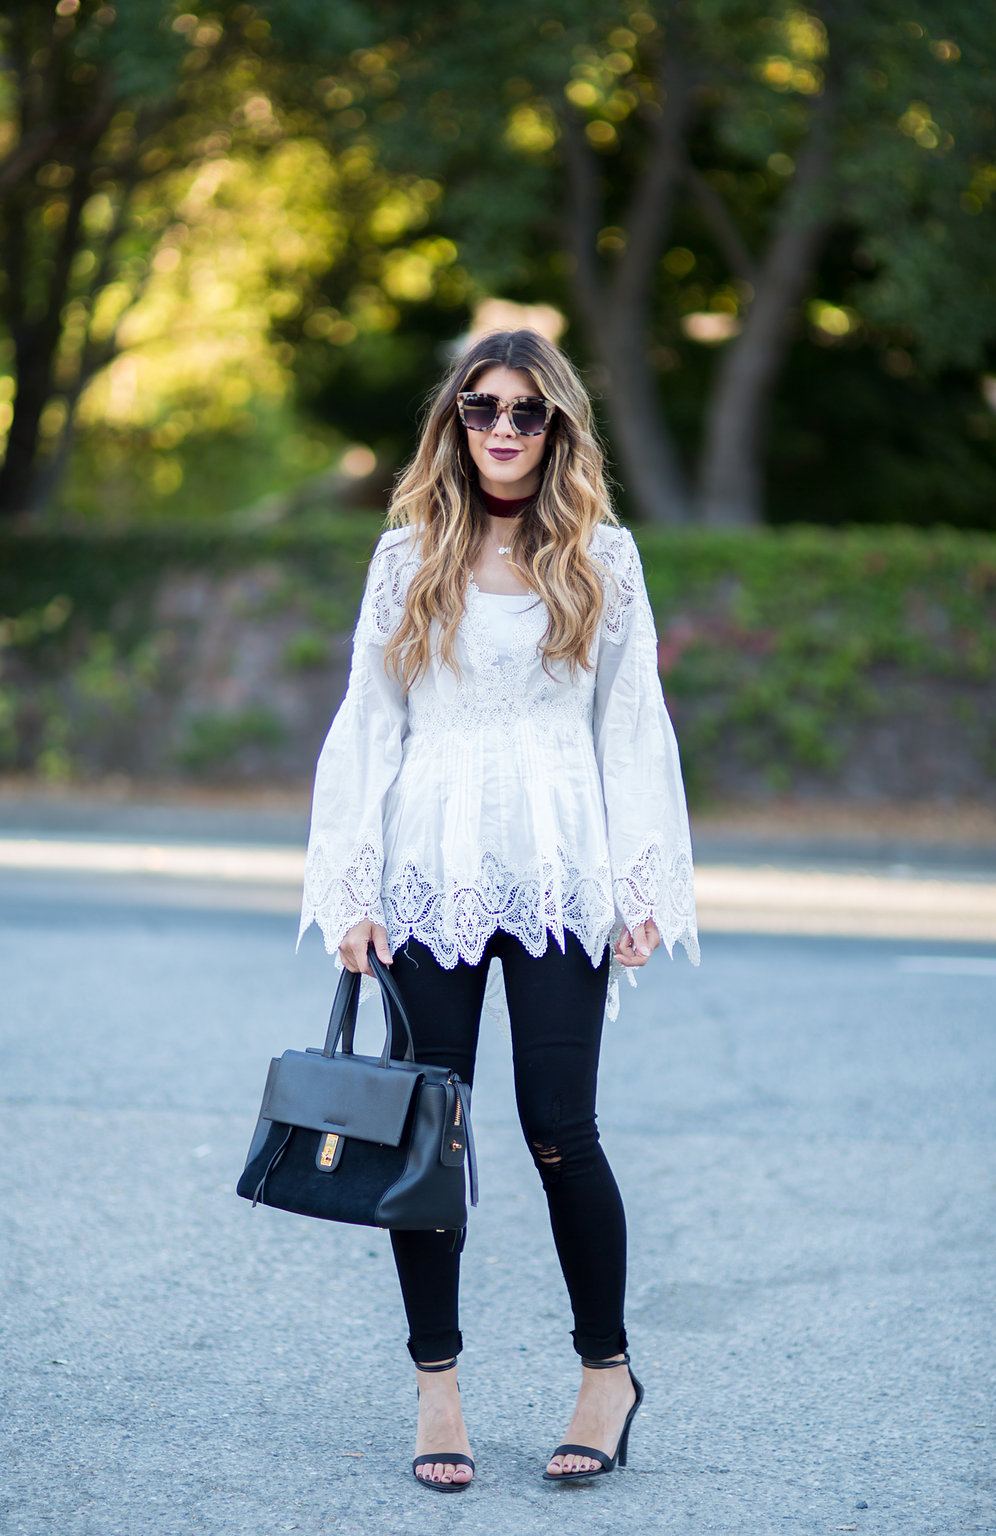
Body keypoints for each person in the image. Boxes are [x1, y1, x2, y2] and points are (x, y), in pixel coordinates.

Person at [299, 328, 699, 1490]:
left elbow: (632, 727)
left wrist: (641, 884)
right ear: (455, 424)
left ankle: (605, 1374)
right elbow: (368, 722)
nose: (505, 432)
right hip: (430, 868)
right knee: (431, 1133)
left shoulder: (603, 557)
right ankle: (438, 1392)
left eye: (528, 413)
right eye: (483, 411)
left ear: (560, 427)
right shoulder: (406, 553)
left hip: (562, 870)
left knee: (559, 1131)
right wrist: (351, 887)